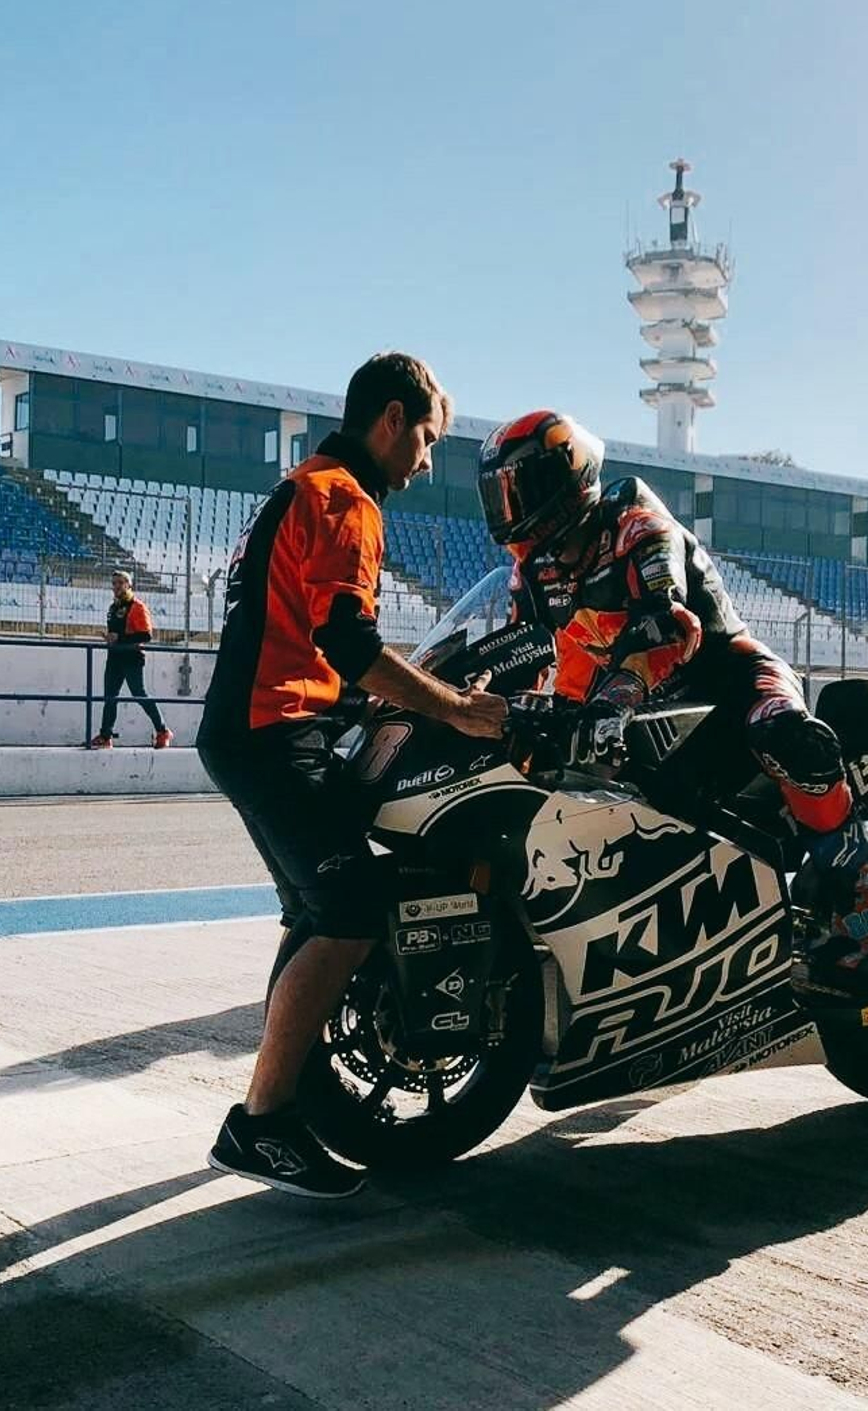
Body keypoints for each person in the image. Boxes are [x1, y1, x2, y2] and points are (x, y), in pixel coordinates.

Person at [198, 353, 506, 1199]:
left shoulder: (305, 484)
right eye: (429, 439)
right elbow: (348, 643)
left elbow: (307, 641)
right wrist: (452, 707)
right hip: (271, 734)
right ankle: (258, 1125)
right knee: (352, 907)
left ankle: (285, 1107)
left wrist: (357, 706)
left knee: (318, 908)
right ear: (392, 418)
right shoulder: (345, 500)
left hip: (262, 727)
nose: (427, 460)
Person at [477, 410, 868, 1000]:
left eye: (519, 489)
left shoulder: (639, 527)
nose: (508, 507)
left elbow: (669, 626)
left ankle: (855, 900)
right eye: (498, 495)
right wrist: (493, 709)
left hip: (729, 681)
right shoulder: (533, 574)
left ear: (565, 478)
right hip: (644, 716)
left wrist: (609, 703)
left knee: (787, 736)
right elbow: (522, 657)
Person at [89, 569, 172, 750]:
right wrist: (110, 638)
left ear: (129, 585)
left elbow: (146, 635)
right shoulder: (113, 608)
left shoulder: (137, 606)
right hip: (115, 657)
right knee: (110, 696)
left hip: (132, 657)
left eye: (121, 583)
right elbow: (116, 633)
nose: (117, 587)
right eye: (114, 583)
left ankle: (162, 730)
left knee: (139, 694)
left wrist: (119, 639)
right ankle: (105, 736)